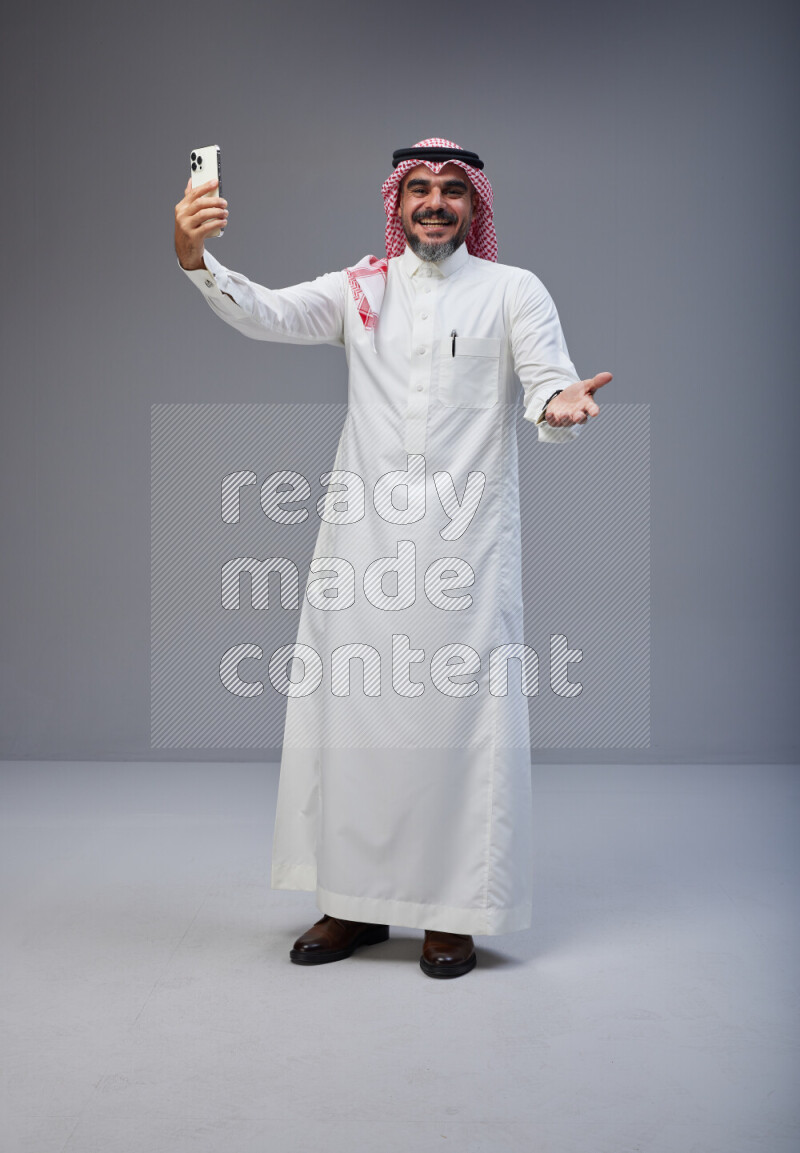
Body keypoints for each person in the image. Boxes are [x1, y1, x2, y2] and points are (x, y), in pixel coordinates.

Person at [175, 137, 611, 979]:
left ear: (475, 207)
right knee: (354, 721)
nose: (437, 203)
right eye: (420, 189)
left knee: (455, 726)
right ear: (397, 202)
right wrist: (196, 257)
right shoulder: (359, 290)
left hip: (466, 548)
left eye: (454, 190)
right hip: (361, 546)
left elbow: (548, 383)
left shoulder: (513, 291)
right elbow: (264, 310)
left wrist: (561, 407)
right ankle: (352, 903)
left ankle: (451, 914)